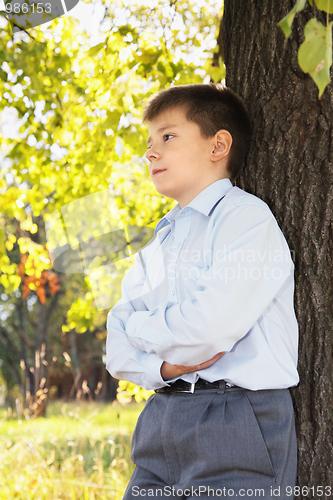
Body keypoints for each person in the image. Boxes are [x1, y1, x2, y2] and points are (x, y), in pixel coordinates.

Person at [106, 83, 299, 499]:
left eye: (168, 137)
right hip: (161, 420)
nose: (150, 153)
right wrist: (164, 369)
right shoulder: (158, 244)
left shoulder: (246, 221)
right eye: (150, 142)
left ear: (218, 146)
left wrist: (140, 329)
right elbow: (116, 350)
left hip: (236, 419)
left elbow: (205, 332)